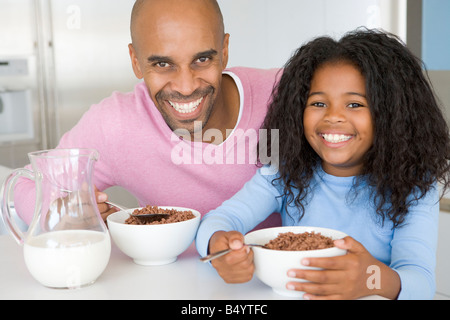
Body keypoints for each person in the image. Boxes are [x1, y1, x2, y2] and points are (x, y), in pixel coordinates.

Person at [196, 29, 450, 300]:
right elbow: (219, 220)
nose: (333, 117)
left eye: (354, 104)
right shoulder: (284, 173)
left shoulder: (414, 187)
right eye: (318, 103)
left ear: (391, 115)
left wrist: (370, 278)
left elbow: (421, 283)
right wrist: (220, 247)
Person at [13, 0, 281, 228]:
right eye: (163, 64)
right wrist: (60, 215)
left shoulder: (285, 95)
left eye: (201, 60)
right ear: (135, 61)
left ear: (223, 51)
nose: (186, 87)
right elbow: (25, 184)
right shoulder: (117, 124)